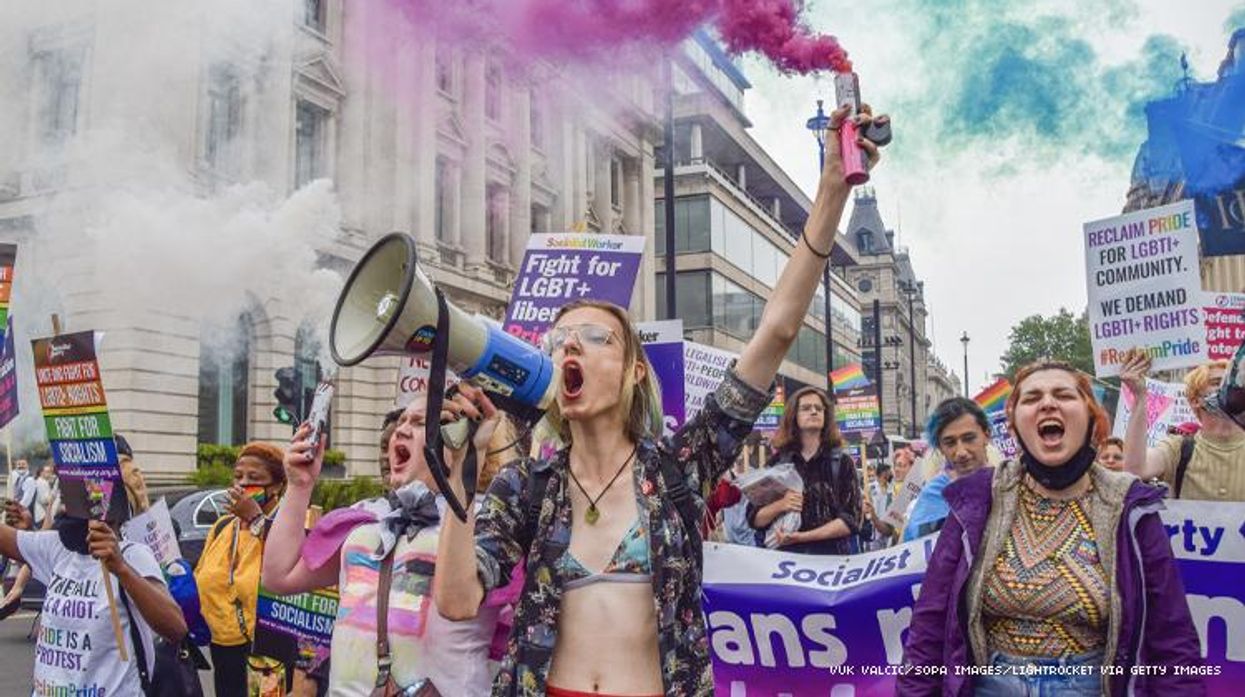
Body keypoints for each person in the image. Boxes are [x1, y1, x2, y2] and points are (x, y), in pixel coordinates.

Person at [433, 102, 884, 696]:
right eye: (560, 341)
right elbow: (458, 601)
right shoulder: (528, 486)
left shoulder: (679, 466)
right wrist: (459, 482)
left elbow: (776, 331)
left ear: (633, 369)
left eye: (595, 338)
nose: (572, 347)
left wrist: (830, 192)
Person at [900, 360, 1203, 696]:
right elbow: (929, 625)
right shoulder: (976, 501)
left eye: (1064, 395)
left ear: (1091, 418)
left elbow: (1172, 638)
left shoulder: (1129, 507)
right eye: (1032, 398)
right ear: (1015, 425)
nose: (1047, 403)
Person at [263, 396, 517, 696]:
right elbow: (279, 577)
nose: (401, 430)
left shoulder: (488, 522)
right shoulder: (368, 517)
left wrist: (466, 468)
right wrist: (299, 485)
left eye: (420, 423)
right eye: (402, 422)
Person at [0, 478, 187, 694]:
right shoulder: (57, 549)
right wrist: (29, 525)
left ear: (104, 514)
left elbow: (176, 628)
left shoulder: (133, 556)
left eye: (71, 504)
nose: (62, 511)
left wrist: (122, 569)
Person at [194, 442, 287, 697]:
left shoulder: (286, 525)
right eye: (238, 477)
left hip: (267, 651)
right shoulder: (223, 526)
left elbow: (287, 573)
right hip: (223, 648)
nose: (243, 484)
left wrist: (257, 520)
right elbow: (202, 577)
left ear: (277, 486)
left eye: (254, 478)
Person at [747, 386, 860, 554]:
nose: (814, 412)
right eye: (806, 408)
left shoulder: (842, 462)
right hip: (786, 562)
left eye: (819, 408)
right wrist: (781, 505)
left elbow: (852, 520)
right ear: (794, 416)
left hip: (832, 562)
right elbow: (754, 519)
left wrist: (802, 537)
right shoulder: (777, 463)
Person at [1122, 351, 1245, 500]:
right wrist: (1139, 396)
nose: (1227, 388)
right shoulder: (1178, 449)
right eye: (1217, 382)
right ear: (1195, 400)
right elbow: (1135, 470)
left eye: (1232, 383)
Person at [900, 397, 993, 541]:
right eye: (950, 443)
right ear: (940, 447)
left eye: (969, 438)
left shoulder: (1007, 484)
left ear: (986, 436)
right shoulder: (933, 495)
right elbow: (916, 548)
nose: (961, 452)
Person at [861, 462, 893, 551]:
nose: (889, 474)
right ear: (882, 473)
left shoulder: (890, 488)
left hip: (885, 524)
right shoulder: (870, 487)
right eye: (888, 472)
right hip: (873, 523)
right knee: (874, 549)